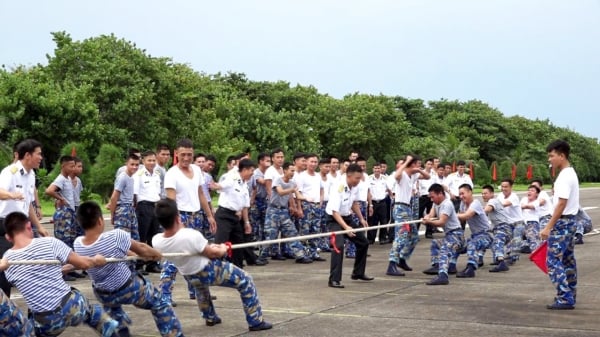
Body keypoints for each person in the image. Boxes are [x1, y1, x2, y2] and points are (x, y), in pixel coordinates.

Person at [153, 198, 273, 331]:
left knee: (200, 287)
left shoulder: (157, 240)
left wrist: (213, 247)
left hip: (189, 274)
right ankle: (255, 321)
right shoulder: (189, 235)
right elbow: (213, 253)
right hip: (208, 269)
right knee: (246, 280)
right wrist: (222, 248)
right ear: (177, 217)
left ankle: (210, 317)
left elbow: (198, 248)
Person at [0, 211, 119, 337]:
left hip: (48, 322)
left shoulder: (7, 260)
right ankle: (103, 323)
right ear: (29, 226)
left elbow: (29, 278)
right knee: (86, 306)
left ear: (8, 237)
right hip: (72, 307)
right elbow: (83, 264)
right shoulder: (50, 243)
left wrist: (63, 268)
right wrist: (96, 260)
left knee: (33, 323)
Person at [74, 201, 183, 337]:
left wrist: (138, 256)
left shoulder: (78, 244)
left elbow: (124, 251)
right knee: (160, 303)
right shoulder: (115, 236)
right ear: (100, 220)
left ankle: (120, 331)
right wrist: (156, 255)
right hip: (129, 288)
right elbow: (142, 248)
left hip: (104, 294)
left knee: (113, 314)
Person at [161, 138, 216, 305]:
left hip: (196, 216)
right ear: (176, 154)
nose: (186, 158)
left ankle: (197, 291)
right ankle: (164, 295)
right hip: (179, 217)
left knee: (196, 256)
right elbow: (171, 201)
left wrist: (209, 215)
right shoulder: (172, 173)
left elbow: (201, 193)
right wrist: (178, 224)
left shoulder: (196, 171)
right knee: (174, 258)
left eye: (189, 155)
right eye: (183, 154)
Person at [0, 139, 49, 297]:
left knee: (31, 264)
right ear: (27, 155)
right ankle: (3, 309)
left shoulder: (31, 175)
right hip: (5, 225)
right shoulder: (10, 172)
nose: (41, 157)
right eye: (38, 154)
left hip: (23, 225)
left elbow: (28, 205)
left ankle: (35, 310)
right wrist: (11, 195)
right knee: (6, 266)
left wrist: (39, 227)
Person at [540, 140, 579, 310]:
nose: (550, 159)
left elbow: (561, 204)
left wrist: (548, 226)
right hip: (571, 221)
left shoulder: (564, 176)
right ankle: (570, 293)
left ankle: (564, 297)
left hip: (562, 222)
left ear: (561, 156)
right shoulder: (570, 173)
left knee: (553, 261)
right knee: (568, 259)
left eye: (552, 156)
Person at [325, 163, 372, 288]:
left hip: (347, 217)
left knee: (363, 242)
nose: (358, 181)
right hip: (334, 219)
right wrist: (346, 227)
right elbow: (335, 212)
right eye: (356, 178)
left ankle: (358, 273)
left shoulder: (355, 186)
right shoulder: (338, 187)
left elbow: (354, 203)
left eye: (360, 178)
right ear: (349, 176)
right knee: (338, 246)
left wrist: (361, 219)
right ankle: (334, 279)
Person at [256, 162, 313, 265]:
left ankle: (300, 255)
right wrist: (292, 189)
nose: (293, 173)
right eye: (291, 170)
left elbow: (297, 196)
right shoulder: (278, 180)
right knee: (270, 235)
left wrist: (307, 198)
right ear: (285, 170)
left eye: (294, 171)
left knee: (292, 232)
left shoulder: (292, 183)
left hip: (283, 211)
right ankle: (262, 256)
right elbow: (281, 192)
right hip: (273, 211)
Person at [385, 155, 429, 277]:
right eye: (417, 164)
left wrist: (418, 170)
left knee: (414, 236)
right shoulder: (402, 175)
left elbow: (427, 176)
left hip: (408, 208)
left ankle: (402, 258)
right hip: (400, 208)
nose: (419, 166)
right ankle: (392, 264)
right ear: (411, 164)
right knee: (401, 236)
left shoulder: (414, 176)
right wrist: (407, 162)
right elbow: (396, 175)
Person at [212, 158, 255, 268]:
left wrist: (246, 223)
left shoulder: (245, 184)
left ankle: (238, 268)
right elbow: (223, 185)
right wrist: (215, 185)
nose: (252, 174)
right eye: (251, 171)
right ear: (244, 170)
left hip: (236, 217)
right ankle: (214, 268)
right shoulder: (232, 177)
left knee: (238, 244)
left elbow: (245, 206)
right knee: (220, 243)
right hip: (224, 215)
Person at [46, 155, 83, 281]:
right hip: (64, 214)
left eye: (74, 166)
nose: (73, 168)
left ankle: (70, 270)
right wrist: (60, 199)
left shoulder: (68, 179)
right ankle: (62, 272)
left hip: (70, 213)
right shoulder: (61, 178)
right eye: (71, 166)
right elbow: (49, 190)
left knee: (71, 241)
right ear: (63, 166)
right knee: (64, 242)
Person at [421, 183, 465, 285]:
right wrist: (427, 217)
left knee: (445, 250)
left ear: (440, 193)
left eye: (433, 197)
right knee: (435, 243)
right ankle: (437, 266)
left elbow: (441, 222)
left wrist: (428, 222)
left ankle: (443, 276)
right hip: (449, 235)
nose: (431, 199)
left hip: (456, 235)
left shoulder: (447, 204)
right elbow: (431, 214)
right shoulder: (436, 203)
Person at [133, 150, 163, 274]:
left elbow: (158, 192)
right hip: (143, 206)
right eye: (149, 160)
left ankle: (152, 263)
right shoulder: (139, 175)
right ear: (143, 161)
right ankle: (139, 264)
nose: (151, 163)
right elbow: (135, 194)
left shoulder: (156, 174)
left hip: (155, 206)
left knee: (154, 236)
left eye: (153, 160)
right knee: (142, 236)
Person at [455, 184, 493, 278]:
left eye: (463, 193)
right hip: (475, 235)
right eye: (459, 194)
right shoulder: (463, 204)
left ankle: (471, 269)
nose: (461, 196)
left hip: (486, 235)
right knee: (456, 244)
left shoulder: (475, 203)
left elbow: (467, 216)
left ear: (470, 192)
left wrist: (451, 215)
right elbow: (461, 220)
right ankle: (451, 266)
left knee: (473, 244)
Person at [481, 185, 513, 273]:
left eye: (485, 193)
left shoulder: (493, 201)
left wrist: (474, 212)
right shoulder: (492, 202)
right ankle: (499, 260)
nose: (483, 195)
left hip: (503, 227)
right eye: (482, 194)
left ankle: (502, 263)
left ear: (492, 194)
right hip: (501, 228)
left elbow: (486, 210)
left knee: (497, 242)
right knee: (492, 241)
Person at [109, 153, 140, 240]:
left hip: (130, 208)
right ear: (126, 164)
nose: (134, 167)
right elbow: (114, 197)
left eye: (137, 165)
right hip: (122, 209)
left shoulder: (131, 178)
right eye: (132, 164)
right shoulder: (122, 177)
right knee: (122, 239)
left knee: (135, 238)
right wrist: (112, 215)